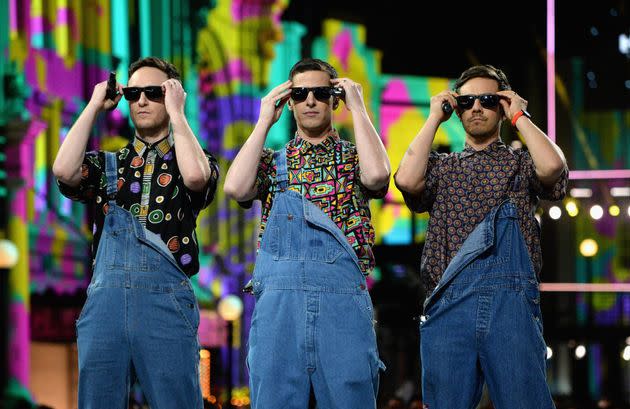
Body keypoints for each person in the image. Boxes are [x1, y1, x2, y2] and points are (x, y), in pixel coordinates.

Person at [394, 64, 568, 408]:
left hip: (511, 305)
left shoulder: (521, 164)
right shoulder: (442, 167)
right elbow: (406, 180)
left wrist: (520, 115)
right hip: (448, 301)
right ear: (456, 110)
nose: (476, 107)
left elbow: (552, 168)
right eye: (467, 101)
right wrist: (433, 118)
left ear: (501, 108)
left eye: (488, 100)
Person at [53, 56, 219, 409]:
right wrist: (94, 106)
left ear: (172, 94)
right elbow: (64, 170)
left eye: (153, 92)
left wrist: (178, 115)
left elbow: (196, 179)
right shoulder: (107, 164)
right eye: (133, 93)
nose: (141, 100)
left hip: (166, 305)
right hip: (106, 303)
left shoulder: (193, 158)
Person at [223, 58, 390, 408]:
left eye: (320, 92)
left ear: (334, 98)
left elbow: (377, 176)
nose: (310, 100)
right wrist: (264, 119)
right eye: (300, 94)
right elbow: (236, 188)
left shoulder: (353, 157)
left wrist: (358, 106)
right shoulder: (271, 161)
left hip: (342, 304)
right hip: (280, 309)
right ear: (290, 102)